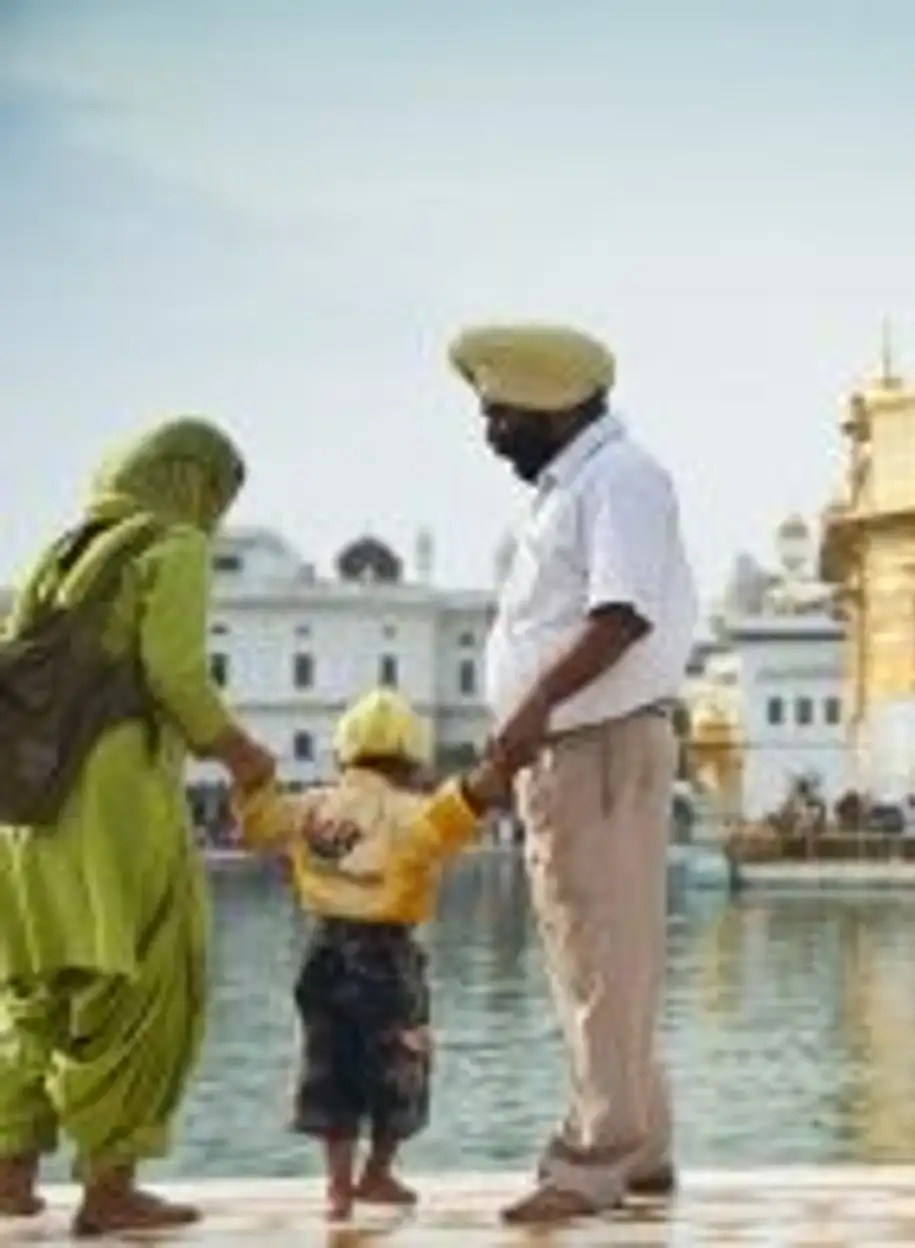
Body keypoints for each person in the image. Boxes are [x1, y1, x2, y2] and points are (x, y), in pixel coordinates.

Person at [0, 418, 277, 1235]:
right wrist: (244, 756)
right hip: (113, 797)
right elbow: (177, 677)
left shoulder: (63, 550)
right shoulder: (175, 545)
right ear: (193, 481)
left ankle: (10, 1175)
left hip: (25, 805)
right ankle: (110, 1187)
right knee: (141, 976)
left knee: (35, 987)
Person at [450, 323, 698, 1225]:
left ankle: (592, 1161)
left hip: (593, 743)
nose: (491, 431)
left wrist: (532, 710)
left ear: (550, 402)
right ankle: (647, 1150)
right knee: (609, 956)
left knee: (597, 955)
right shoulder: (579, 485)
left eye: (500, 412)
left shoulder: (618, 479)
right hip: (579, 745)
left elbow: (620, 614)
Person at [230, 687, 509, 1222]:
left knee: (328, 1064)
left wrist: (252, 776)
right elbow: (460, 809)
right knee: (399, 1062)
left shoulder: (311, 806)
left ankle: (337, 1189)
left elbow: (259, 824)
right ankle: (377, 1173)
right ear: (411, 761)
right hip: (386, 956)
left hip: (322, 950)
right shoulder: (409, 812)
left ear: (343, 754)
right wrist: (495, 768)